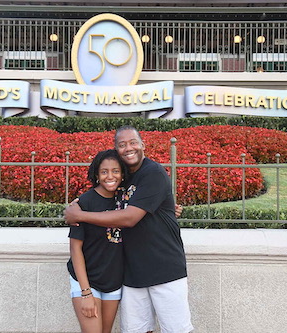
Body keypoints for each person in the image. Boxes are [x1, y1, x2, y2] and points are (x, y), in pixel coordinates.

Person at [65, 125, 193, 333]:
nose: (128, 148)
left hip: (165, 267)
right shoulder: (121, 178)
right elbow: (101, 196)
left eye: (133, 142)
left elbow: (130, 218)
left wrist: (79, 215)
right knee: (136, 330)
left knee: (176, 329)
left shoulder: (153, 173)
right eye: (122, 145)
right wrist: (80, 203)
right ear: (116, 150)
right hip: (132, 274)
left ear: (143, 145)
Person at [67, 149, 128, 333]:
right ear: (96, 174)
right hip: (87, 282)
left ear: (123, 173)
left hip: (113, 281)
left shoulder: (126, 201)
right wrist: (86, 293)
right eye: (104, 171)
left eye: (115, 171)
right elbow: (75, 249)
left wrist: (170, 209)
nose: (110, 176)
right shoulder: (84, 203)